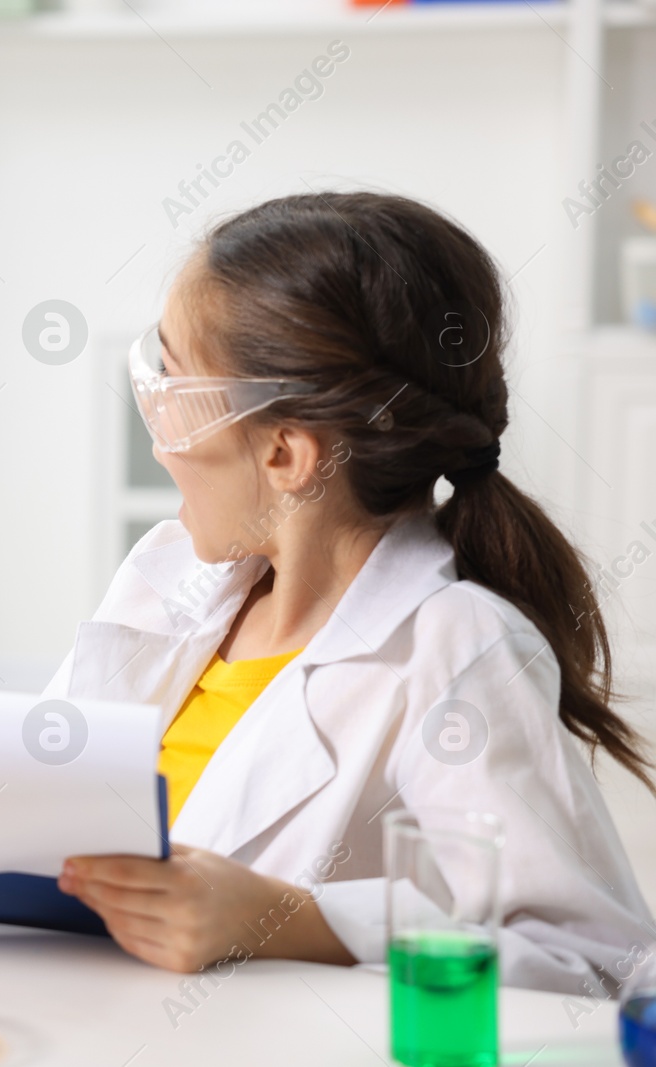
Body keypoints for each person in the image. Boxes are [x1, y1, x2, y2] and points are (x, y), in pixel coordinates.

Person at [52, 192, 654, 995]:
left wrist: (291, 919)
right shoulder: (167, 579)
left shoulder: (458, 647)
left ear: (287, 454)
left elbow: (596, 964)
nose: (161, 442)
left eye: (175, 395)